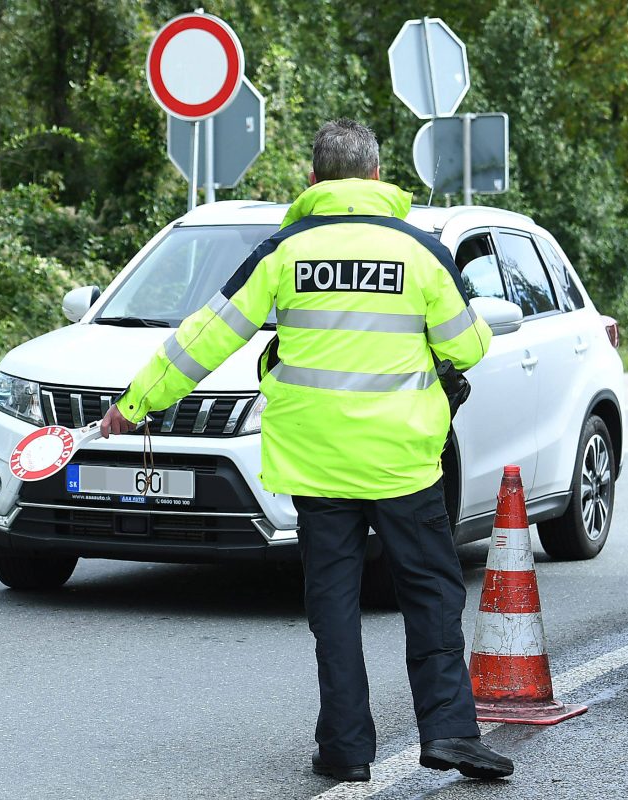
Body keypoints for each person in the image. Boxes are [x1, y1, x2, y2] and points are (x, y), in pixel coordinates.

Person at [99, 119, 515, 783]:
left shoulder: (284, 251)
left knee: (334, 606)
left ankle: (345, 750)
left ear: (314, 179)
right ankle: (450, 735)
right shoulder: (419, 252)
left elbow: (206, 337)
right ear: (376, 176)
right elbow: (468, 345)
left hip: (317, 464)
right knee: (432, 596)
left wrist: (135, 404)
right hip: (403, 463)